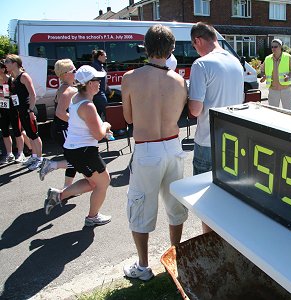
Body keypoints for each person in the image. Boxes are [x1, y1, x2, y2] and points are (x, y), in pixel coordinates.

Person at [121, 24, 188, 281]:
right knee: (175, 205)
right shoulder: (179, 80)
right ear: (171, 49)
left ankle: (143, 266)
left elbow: (128, 117)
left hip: (147, 148)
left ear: (146, 48)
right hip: (173, 146)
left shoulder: (131, 77)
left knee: (140, 205)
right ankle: (176, 255)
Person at [188, 22, 244, 233]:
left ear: (198, 41)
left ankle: (210, 240)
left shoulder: (201, 64)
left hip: (208, 141)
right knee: (227, 196)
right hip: (232, 141)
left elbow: (195, 110)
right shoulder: (236, 63)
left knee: (207, 201)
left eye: (194, 46)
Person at [44, 65, 112, 227]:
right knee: (103, 183)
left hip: (74, 150)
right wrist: (106, 125)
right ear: (89, 83)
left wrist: (100, 127)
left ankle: (58, 196)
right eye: (97, 80)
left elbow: (85, 124)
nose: (100, 83)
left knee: (93, 183)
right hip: (84, 151)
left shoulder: (77, 98)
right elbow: (98, 134)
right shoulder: (87, 105)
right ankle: (92, 217)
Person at [39, 59, 77, 187]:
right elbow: (60, 113)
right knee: (76, 160)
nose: (76, 72)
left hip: (61, 129)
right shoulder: (68, 90)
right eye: (74, 70)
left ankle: (67, 188)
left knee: (72, 159)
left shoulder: (65, 87)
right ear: (65, 74)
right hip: (63, 129)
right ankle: (50, 164)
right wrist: (78, 123)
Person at [4, 54, 43, 170]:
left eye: (7, 62)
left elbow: (32, 94)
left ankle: (40, 160)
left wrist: (30, 110)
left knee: (34, 135)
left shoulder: (24, 76)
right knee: (30, 135)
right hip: (21, 110)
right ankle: (34, 156)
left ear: (14, 63)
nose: (5, 64)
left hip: (28, 110)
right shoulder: (13, 78)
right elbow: (9, 94)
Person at [0, 59, 25, 164]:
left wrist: (6, 95)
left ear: (2, 69)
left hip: (13, 109)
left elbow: (15, 95)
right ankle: (9, 154)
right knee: (5, 132)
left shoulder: (10, 80)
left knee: (17, 131)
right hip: (2, 109)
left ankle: (20, 153)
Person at [260, 39, 291, 110]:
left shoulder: (288, 57)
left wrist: (288, 76)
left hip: (286, 90)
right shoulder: (267, 59)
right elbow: (262, 71)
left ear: (280, 47)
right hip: (273, 90)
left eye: (275, 47)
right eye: (272, 47)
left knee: (289, 112)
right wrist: (263, 76)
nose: (273, 48)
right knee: (273, 112)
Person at [91, 49, 108, 119]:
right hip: (99, 94)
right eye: (105, 56)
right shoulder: (96, 66)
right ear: (100, 56)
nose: (106, 58)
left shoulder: (98, 65)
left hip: (100, 93)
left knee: (98, 114)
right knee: (107, 113)